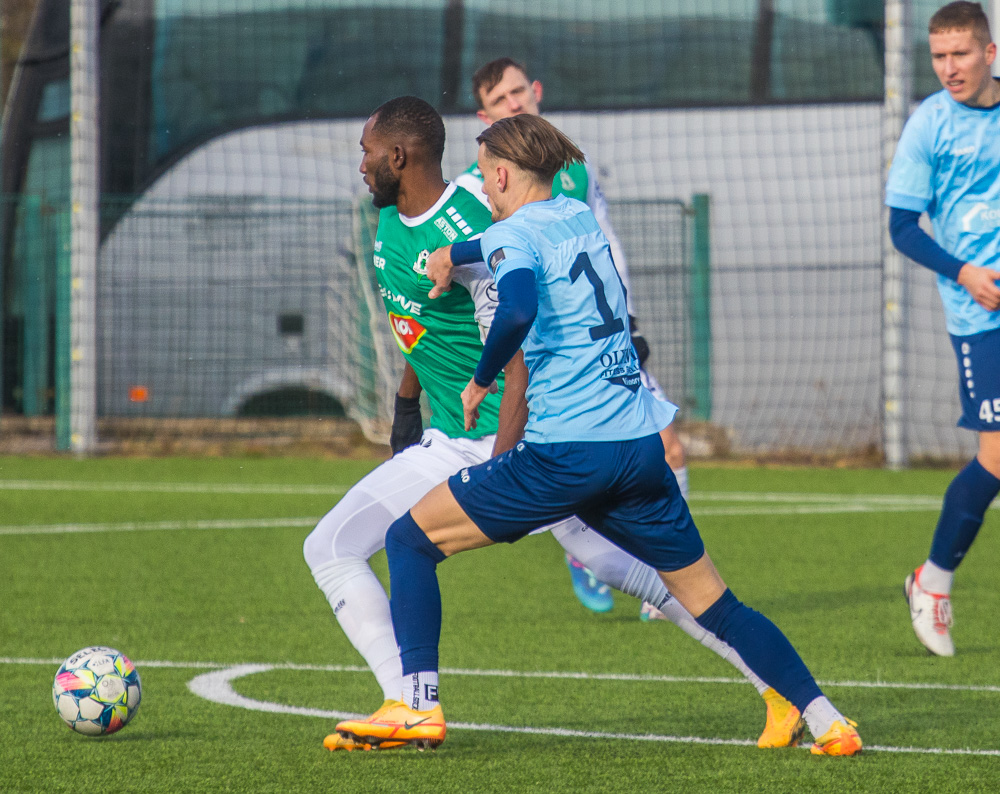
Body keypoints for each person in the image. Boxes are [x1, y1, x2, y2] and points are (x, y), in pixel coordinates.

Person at [334, 114, 862, 756]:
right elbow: (501, 247)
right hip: (637, 447)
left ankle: (417, 707)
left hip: (564, 453)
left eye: (487, 177)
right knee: (714, 602)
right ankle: (828, 719)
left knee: (408, 541)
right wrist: (454, 254)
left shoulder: (512, 235)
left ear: (504, 176)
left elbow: (517, 305)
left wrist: (480, 379)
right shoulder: (576, 217)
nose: (483, 189)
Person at [454, 56, 688, 620]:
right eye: (499, 100)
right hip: (552, 351)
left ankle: (666, 577)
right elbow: (499, 261)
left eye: (518, 91)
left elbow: (598, 244)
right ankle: (611, 560)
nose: (513, 103)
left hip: (607, 335)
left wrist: (628, 320)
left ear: (536, 90)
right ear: (483, 117)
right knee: (584, 462)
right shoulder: (479, 184)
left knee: (669, 447)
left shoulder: (571, 168)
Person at [888, 1, 1000, 657]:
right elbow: (902, 228)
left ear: (990, 53)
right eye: (938, 56)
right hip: (979, 315)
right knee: (997, 456)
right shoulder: (929, 124)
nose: (949, 67)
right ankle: (932, 581)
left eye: (960, 54)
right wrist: (965, 273)